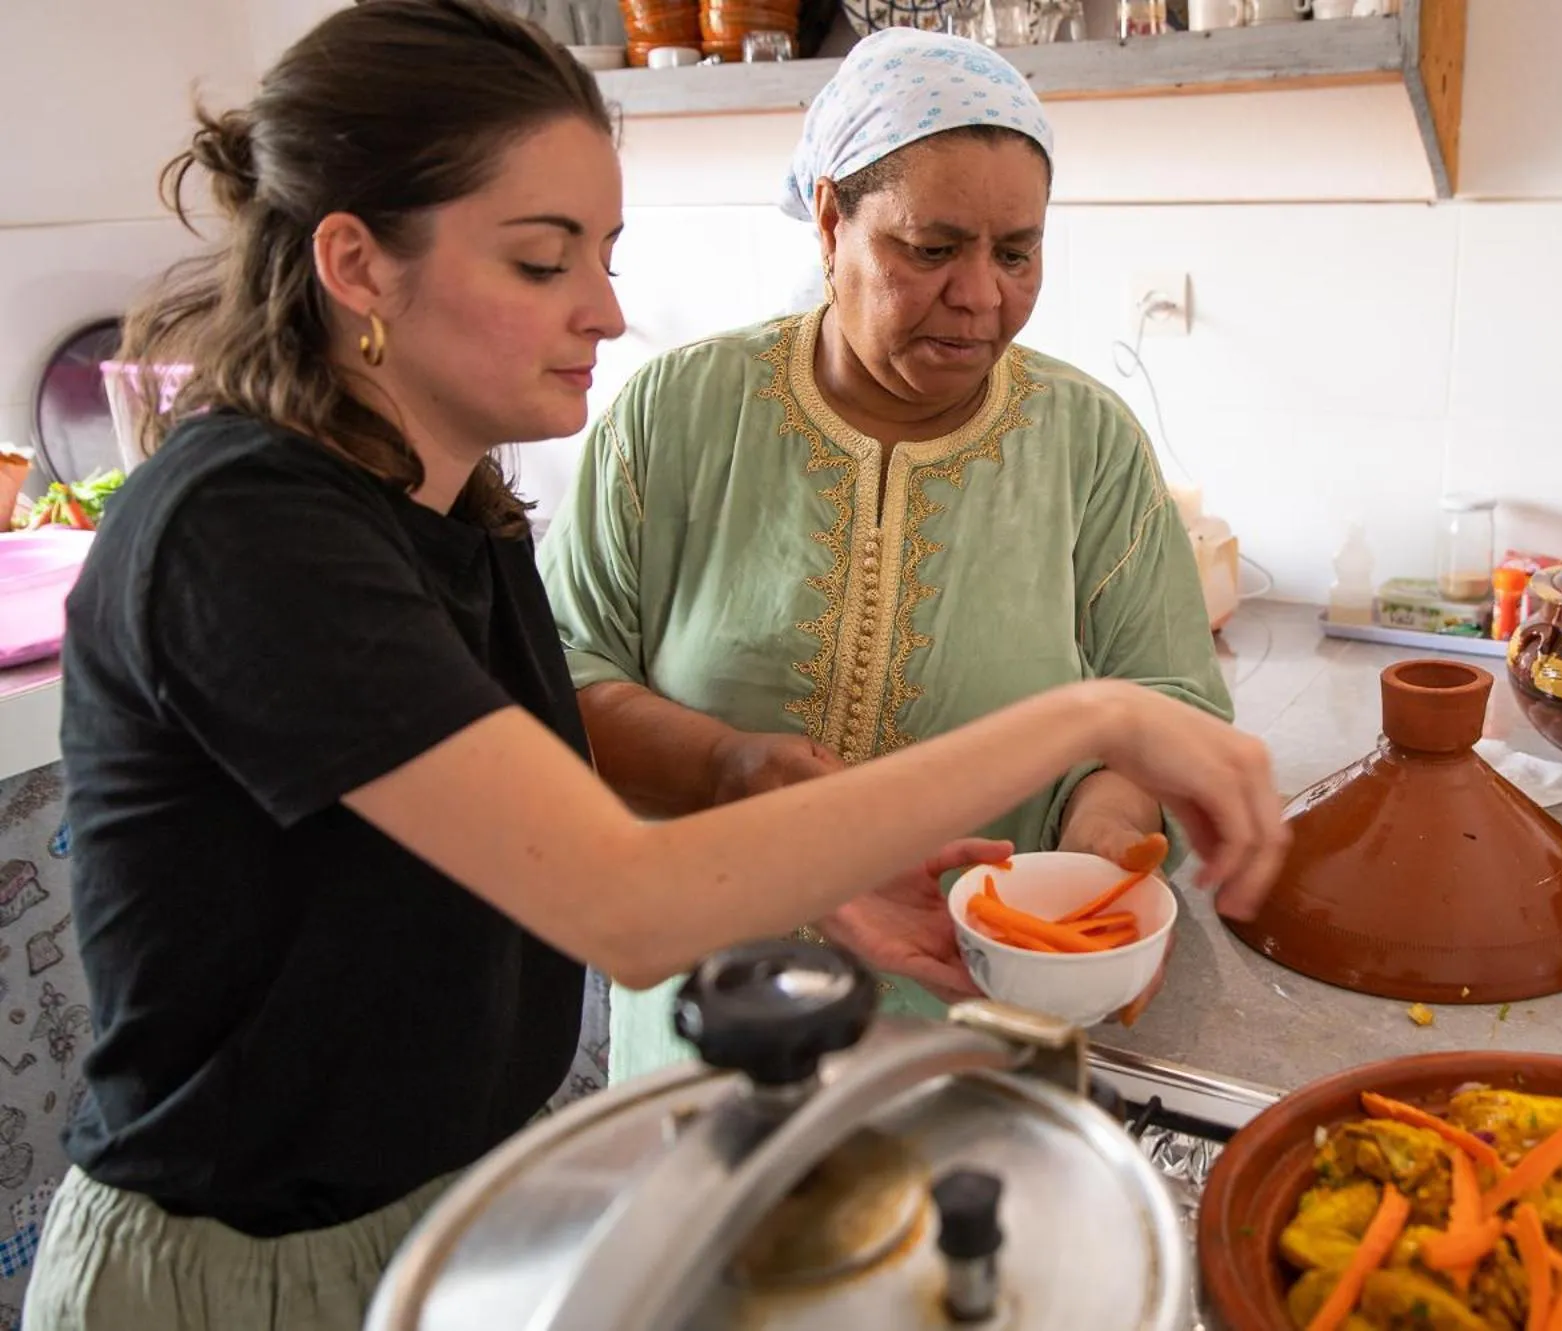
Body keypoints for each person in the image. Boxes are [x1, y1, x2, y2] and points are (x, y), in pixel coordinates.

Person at [22, 5, 1285, 1328]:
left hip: (447, 1211)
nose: (610, 311)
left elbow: (532, 825)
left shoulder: (460, 515)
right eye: (541, 260)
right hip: (253, 1269)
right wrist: (1086, 714)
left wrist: (843, 868)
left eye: (605, 254)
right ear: (356, 263)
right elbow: (623, 899)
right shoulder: (244, 532)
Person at [538, 28, 1231, 1082]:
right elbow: (556, 673)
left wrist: (1103, 832)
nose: (980, 297)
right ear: (830, 219)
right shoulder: (672, 418)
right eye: (931, 247)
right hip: (711, 1028)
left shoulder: (1085, 443)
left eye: (1015, 253)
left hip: (974, 1024)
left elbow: (1167, 697)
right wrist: (731, 771)